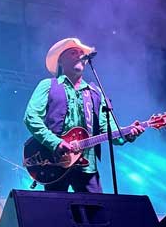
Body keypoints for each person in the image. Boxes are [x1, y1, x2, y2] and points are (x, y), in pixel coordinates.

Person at [24, 37, 145, 193]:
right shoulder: (48, 85)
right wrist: (55, 142)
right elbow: (31, 117)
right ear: (61, 61)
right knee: (56, 212)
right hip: (54, 161)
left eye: (81, 53)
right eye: (73, 52)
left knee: (96, 213)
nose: (79, 55)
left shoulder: (95, 92)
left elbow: (108, 130)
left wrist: (127, 134)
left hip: (87, 166)